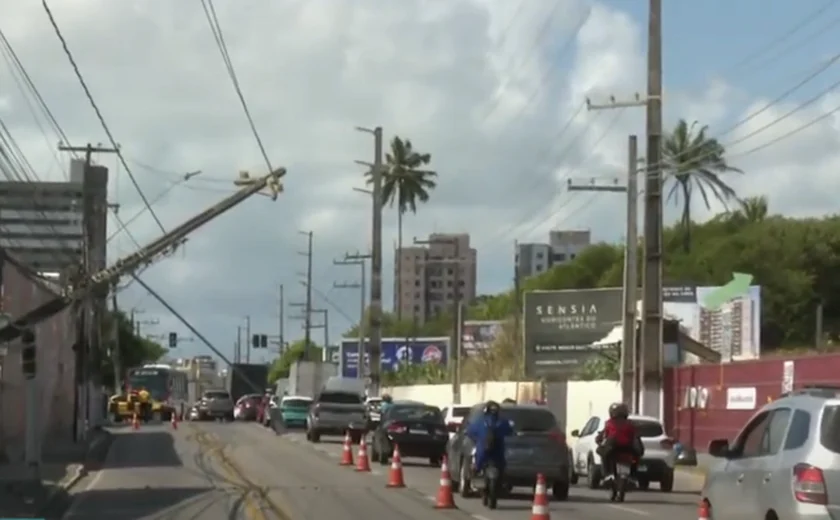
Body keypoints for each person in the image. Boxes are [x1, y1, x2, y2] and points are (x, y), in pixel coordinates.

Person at [466, 400, 514, 477]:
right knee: (501, 464)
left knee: (478, 462)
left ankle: (474, 472)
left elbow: (471, 431)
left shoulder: (481, 420)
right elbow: (509, 431)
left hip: (486, 448)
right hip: (495, 450)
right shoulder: (501, 421)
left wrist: (473, 436)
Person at [596, 402, 641, 479]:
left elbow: (603, 436)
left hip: (613, 447)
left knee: (603, 454)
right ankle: (633, 475)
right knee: (636, 457)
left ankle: (608, 474)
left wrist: (599, 441)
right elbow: (636, 435)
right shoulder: (630, 423)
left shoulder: (609, 423)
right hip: (628, 447)